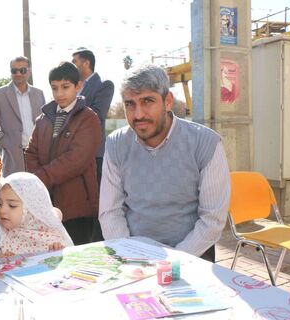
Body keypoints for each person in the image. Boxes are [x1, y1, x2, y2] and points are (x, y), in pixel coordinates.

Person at [99, 65, 230, 262]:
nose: (138, 115)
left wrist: (170, 263)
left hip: (192, 258)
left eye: (147, 101)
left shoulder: (205, 143)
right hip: (133, 259)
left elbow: (212, 220)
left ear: (167, 101)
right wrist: (131, 256)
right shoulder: (116, 144)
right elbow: (110, 212)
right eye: (130, 104)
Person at [25, 62, 101, 245]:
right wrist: (38, 183)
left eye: (65, 87)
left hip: (77, 206)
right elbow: (30, 152)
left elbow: (76, 160)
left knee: (77, 260)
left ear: (78, 86)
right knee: (49, 258)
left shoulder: (88, 118)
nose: (59, 93)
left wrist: (39, 178)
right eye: (54, 88)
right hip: (46, 205)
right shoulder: (43, 119)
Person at [72, 48, 114, 242]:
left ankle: (99, 242)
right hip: (73, 154)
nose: (73, 66)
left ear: (86, 63)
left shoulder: (104, 85)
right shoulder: (74, 87)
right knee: (80, 202)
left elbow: (96, 115)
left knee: (97, 203)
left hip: (94, 155)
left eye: (75, 62)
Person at [0, 56, 46, 176]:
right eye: (14, 70)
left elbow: (45, 121)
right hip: (13, 157)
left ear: (29, 71)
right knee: (13, 192)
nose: (18, 73)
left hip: (38, 155)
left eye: (22, 70)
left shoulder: (39, 93)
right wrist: (4, 141)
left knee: (37, 191)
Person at [0, 172, 73, 258]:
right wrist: (0, 261)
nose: (2, 210)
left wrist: (58, 253)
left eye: (12, 205)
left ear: (30, 209)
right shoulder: (1, 235)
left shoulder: (51, 235)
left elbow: (69, 264)